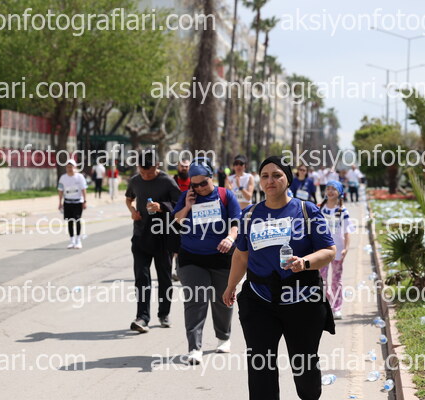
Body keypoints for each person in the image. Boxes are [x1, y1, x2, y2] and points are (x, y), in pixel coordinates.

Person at [223, 156, 336, 400]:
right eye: (265, 176)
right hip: (260, 300)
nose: (270, 180)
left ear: (288, 179)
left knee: (305, 369)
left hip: (302, 301)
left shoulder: (307, 210)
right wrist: (231, 286)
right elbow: (241, 256)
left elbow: (329, 251)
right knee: (260, 367)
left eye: (277, 175)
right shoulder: (250, 215)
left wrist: (304, 262)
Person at [173, 157, 241, 365]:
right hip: (191, 257)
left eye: (203, 183)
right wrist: (187, 206)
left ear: (211, 178)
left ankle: (223, 336)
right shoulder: (187, 196)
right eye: (195, 184)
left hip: (221, 257)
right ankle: (194, 348)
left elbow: (236, 222)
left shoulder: (225, 195)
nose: (200, 188)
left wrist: (230, 238)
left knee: (222, 299)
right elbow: (177, 222)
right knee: (195, 300)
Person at [125, 152, 182, 333]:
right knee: (141, 277)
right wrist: (132, 211)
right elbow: (129, 198)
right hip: (141, 236)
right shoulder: (135, 180)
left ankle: (164, 313)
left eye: (149, 173)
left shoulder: (167, 181)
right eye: (142, 172)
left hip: (162, 236)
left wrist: (162, 207)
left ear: (157, 166)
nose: (145, 176)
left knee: (164, 277)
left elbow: (180, 204)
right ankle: (142, 317)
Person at [318, 180, 353, 320]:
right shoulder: (320, 208)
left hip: (338, 251)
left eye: (334, 189)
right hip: (322, 250)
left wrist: (346, 249)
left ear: (339, 192)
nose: (330, 191)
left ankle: (337, 308)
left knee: (336, 280)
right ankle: (325, 306)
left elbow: (347, 232)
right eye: (328, 188)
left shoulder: (342, 211)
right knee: (322, 279)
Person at [57, 160, 88, 249]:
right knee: (70, 221)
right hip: (67, 202)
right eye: (68, 167)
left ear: (74, 167)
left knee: (77, 220)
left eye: (71, 167)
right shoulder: (63, 178)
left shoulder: (79, 177)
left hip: (78, 202)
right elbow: (60, 190)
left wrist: (85, 201)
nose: (69, 169)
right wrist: (60, 202)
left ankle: (78, 240)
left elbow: (83, 189)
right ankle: (72, 240)